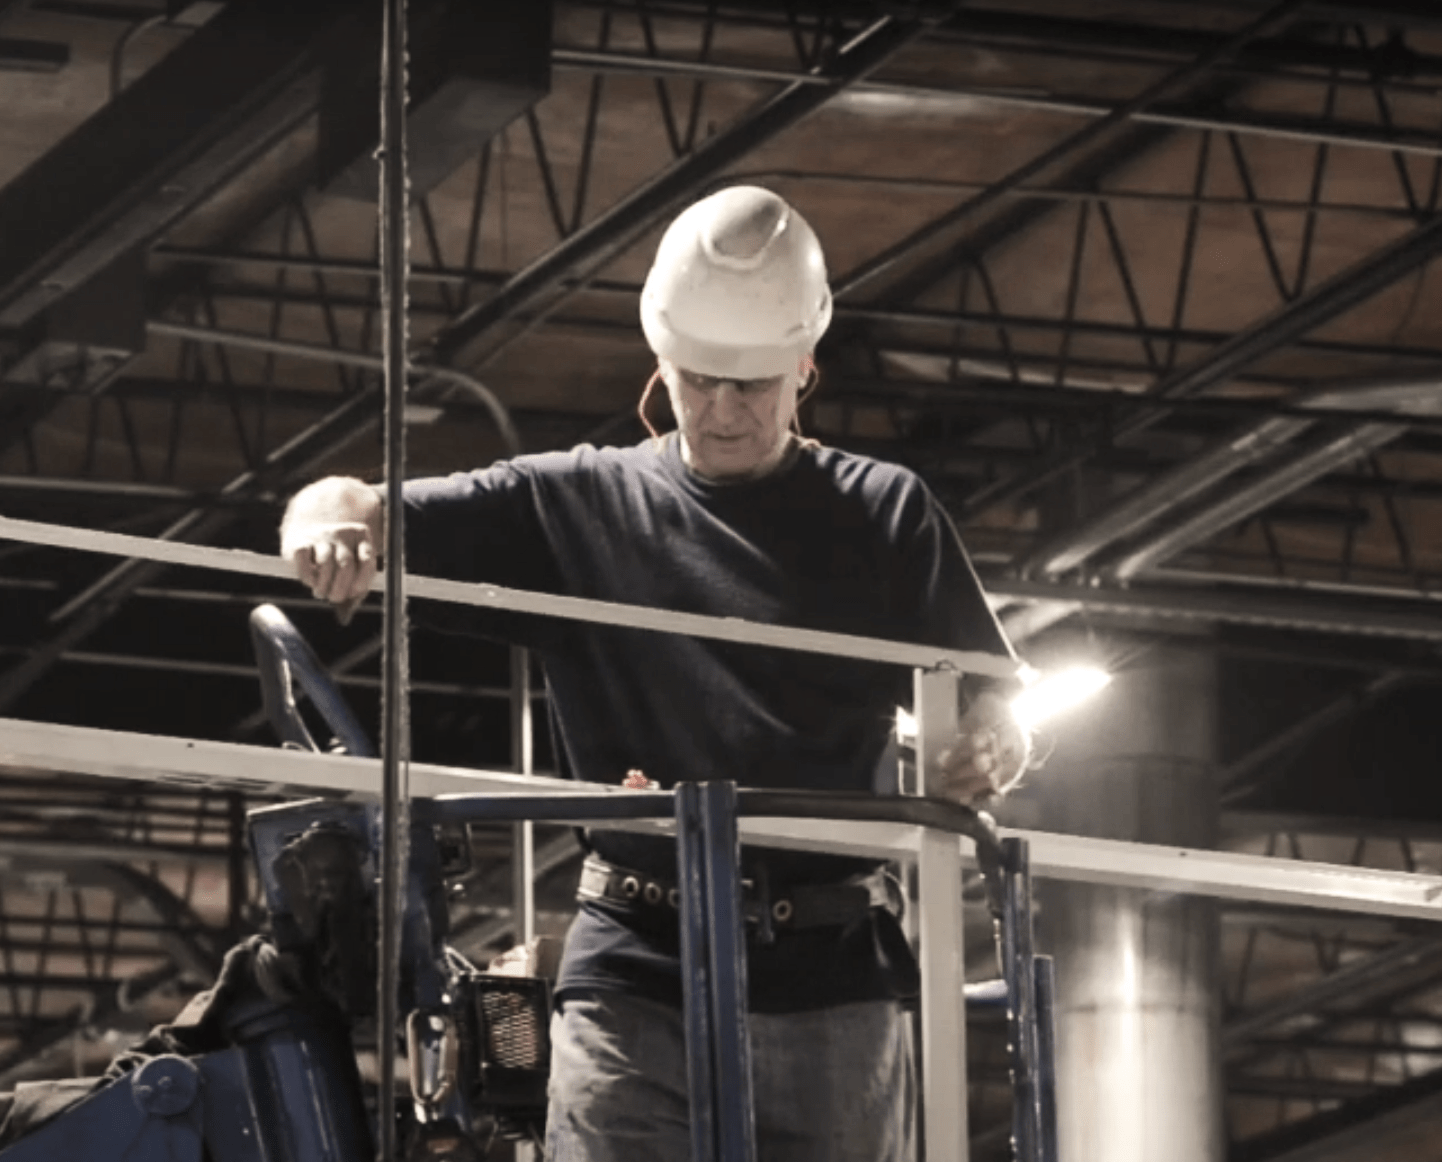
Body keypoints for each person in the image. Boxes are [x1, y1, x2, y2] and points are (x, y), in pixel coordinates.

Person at [276, 185, 1028, 1161]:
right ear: (660, 361)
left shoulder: (885, 511)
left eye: (750, 385)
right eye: (696, 379)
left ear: (804, 367)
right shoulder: (576, 501)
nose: (719, 412)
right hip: (635, 963)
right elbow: (351, 499)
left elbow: (999, 701)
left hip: (832, 973)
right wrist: (320, 523)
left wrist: (992, 745)